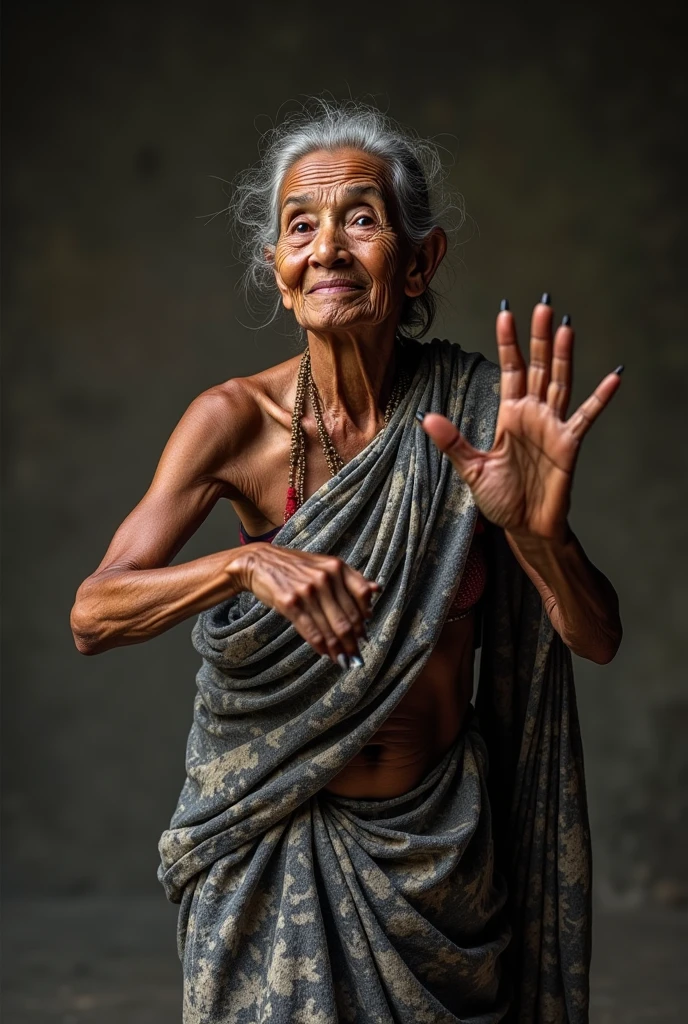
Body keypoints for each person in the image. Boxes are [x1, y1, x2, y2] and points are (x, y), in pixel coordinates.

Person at [70, 99, 622, 1023]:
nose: (327, 246)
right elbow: (94, 612)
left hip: (438, 856)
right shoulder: (234, 422)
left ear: (420, 262)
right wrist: (243, 568)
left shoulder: (473, 414)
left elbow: (596, 638)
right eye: (300, 226)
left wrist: (538, 533)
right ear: (277, 272)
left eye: (360, 218)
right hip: (271, 840)